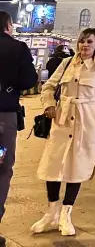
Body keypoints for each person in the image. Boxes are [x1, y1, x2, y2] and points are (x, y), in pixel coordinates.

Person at [32, 28, 95, 236]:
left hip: (85, 123)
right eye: (82, 42)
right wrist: (49, 104)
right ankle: (51, 211)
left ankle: (66, 214)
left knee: (76, 168)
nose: (85, 46)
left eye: (89, 42)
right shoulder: (67, 63)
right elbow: (49, 86)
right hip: (61, 121)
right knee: (52, 167)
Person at [0, 12, 38, 245]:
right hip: (3, 118)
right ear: (9, 25)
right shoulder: (18, 48)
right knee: (1, 169)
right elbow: (29, 80)